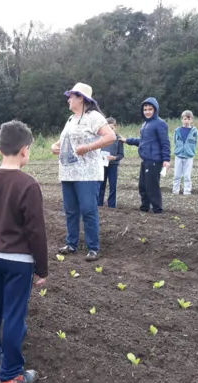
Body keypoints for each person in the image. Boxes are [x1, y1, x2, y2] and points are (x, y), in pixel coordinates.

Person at [0, 120, 48, 383]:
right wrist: (42, 268)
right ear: (25, 150)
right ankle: (12, 373)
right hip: (19, 262)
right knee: (14, 315)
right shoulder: (28, 185)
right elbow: (36, 231)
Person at [50, 82, 117, 262]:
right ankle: (71, 243)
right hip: (68, 171)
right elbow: (64, 139)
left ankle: (93, 247)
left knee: (88, 209)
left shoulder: (94, 117)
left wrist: (87, 147)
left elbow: (110, 137)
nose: (68, 100)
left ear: (81, 98)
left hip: (87, 173)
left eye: (71, 96)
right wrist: (55, 146)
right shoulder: (71, 119)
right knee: (71, 210)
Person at [118, 97, 171, 213]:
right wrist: (127, 140)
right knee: (143, 186)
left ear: (155, 110)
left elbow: (165, 142)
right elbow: (142, 141)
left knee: (152, 186)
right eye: (145, 109)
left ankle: (157, 209)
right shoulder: (145, 124)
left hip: (154, 160)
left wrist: (166, 160)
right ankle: (145, 207)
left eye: (150, 109)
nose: (147, 111)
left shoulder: (160, 124)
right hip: (145, 159)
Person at [98, 117, 125, 208]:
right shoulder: (101, 139)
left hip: (113, 166)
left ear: (115, 127)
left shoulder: (119, 139)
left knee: (113, 186)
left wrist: (114, 158)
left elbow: (121, 155)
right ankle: (99, 204)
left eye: (112, 128)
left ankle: (112, 206)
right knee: (101, 185)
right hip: (103, 165)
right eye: (108, 128)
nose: (110, 130)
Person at [173, 110, 198, 195]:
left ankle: (187, 191)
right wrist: (178, 150)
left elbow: (195, 143)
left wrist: (191, 151)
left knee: (187, 176)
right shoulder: (177, 131)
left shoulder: (194, 132)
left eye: (188, 119)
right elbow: (175, 142)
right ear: (182, 119)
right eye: (184, 119)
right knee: (177, 175)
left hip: (189, 156)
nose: (186, 121)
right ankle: (175, 191)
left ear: (191, 119)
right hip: (179, 155)